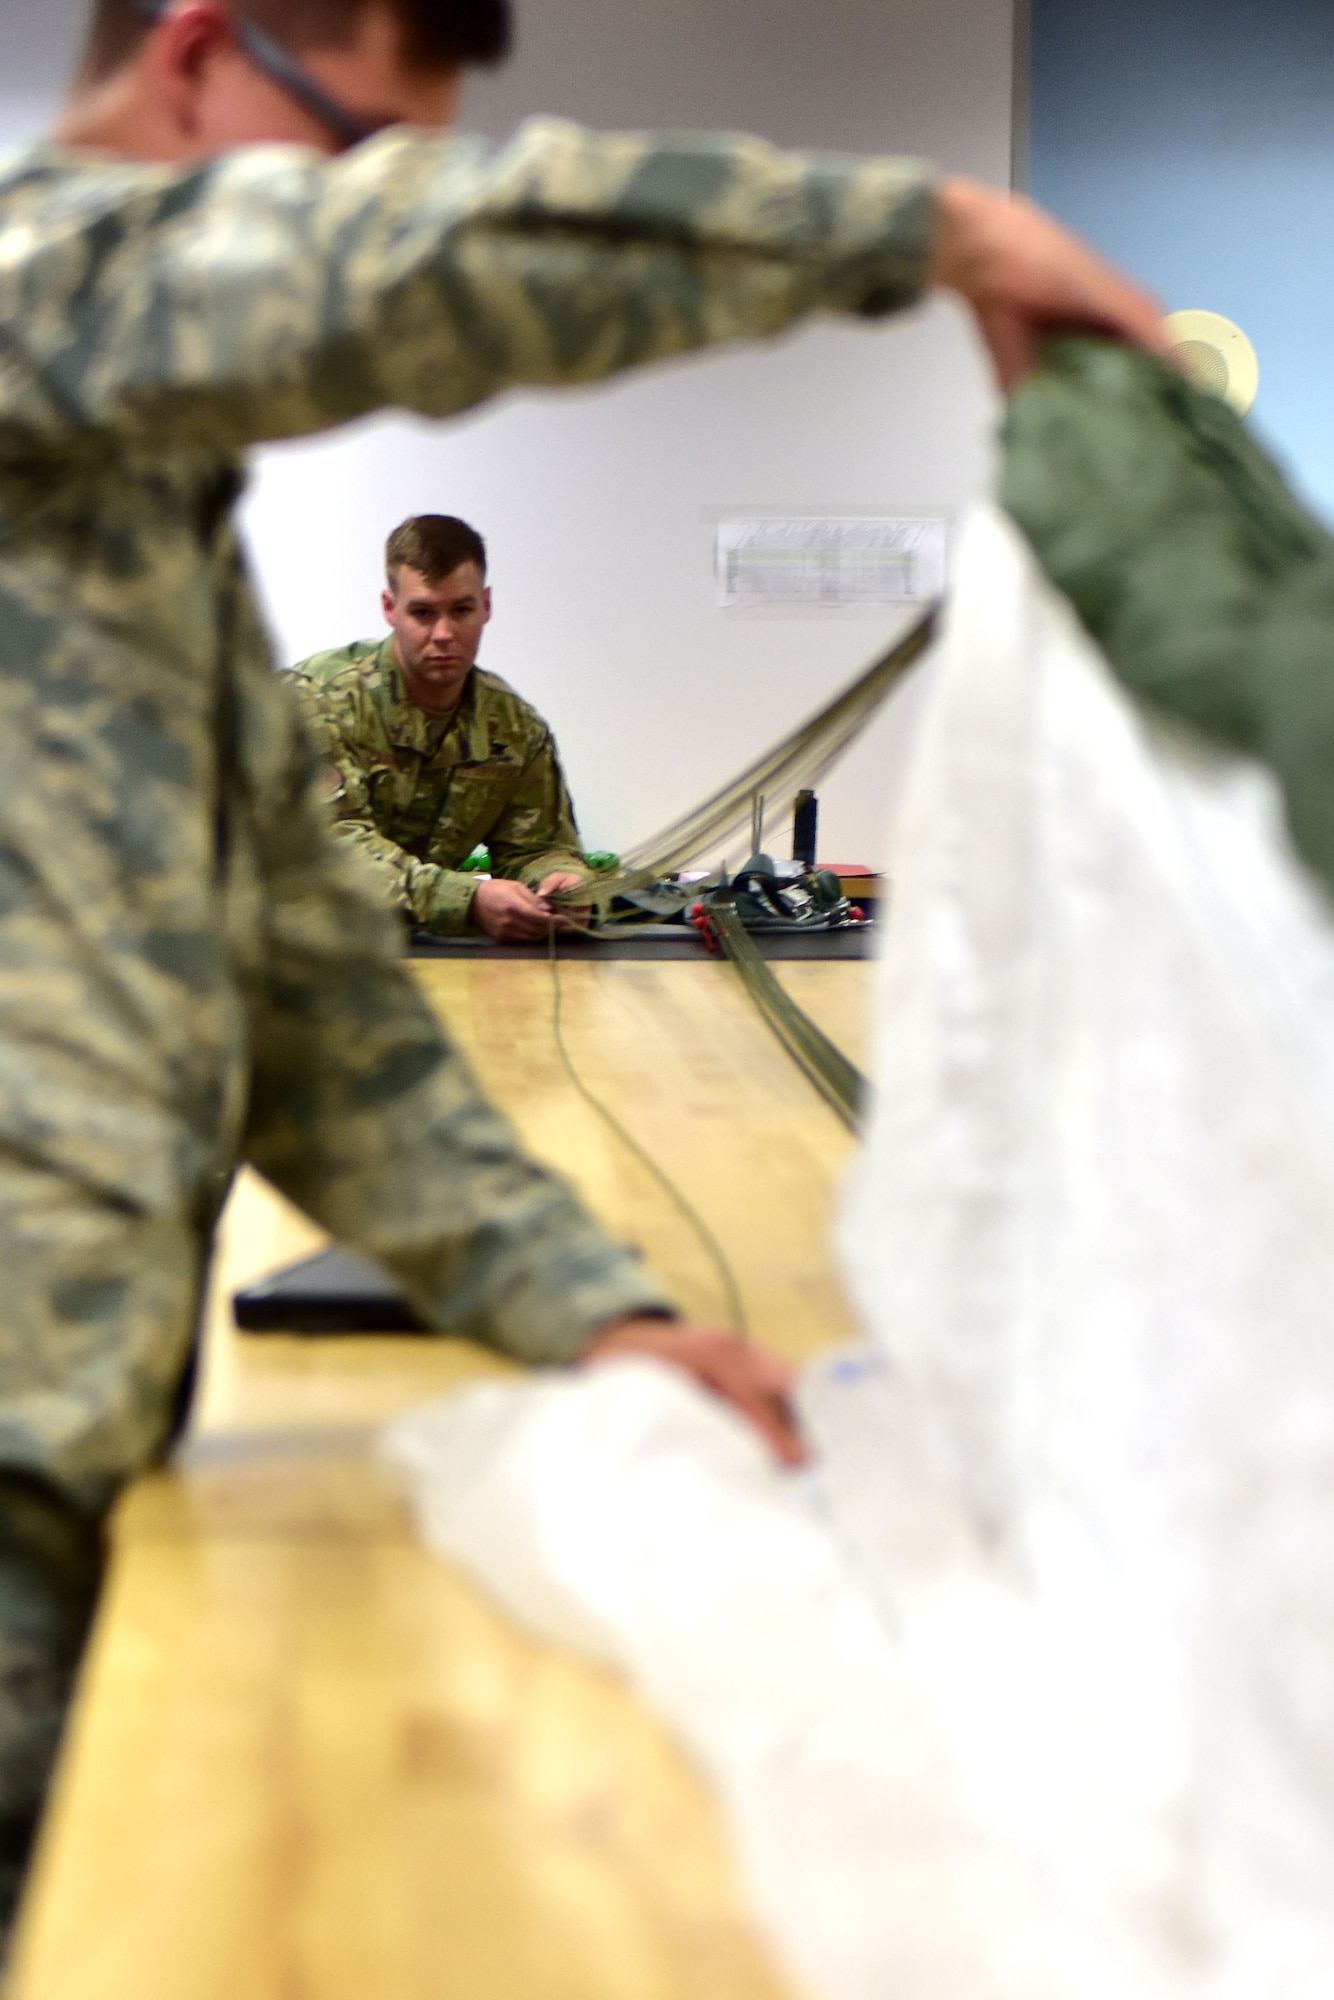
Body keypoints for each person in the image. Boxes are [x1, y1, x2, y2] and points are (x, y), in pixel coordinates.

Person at [0, 0, 1164, 1932]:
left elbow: (317, 1012)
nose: (382, 208)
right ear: (198, 54)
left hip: (65, 1454)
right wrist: (928, 230)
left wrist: (589, 1311)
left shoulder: (119, 513)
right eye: (361, 151)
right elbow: (422, 269)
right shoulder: (37, 285)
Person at [290, 513, 592, 943]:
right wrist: (465, 900)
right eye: (423, 613)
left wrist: (561, 882)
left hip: (421, 952)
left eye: (462, 610)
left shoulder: (513, 729)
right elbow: (328, 850)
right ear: (389, 608)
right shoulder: (317, 702)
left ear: (486, 606)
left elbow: (537, 846)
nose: (444, 634)